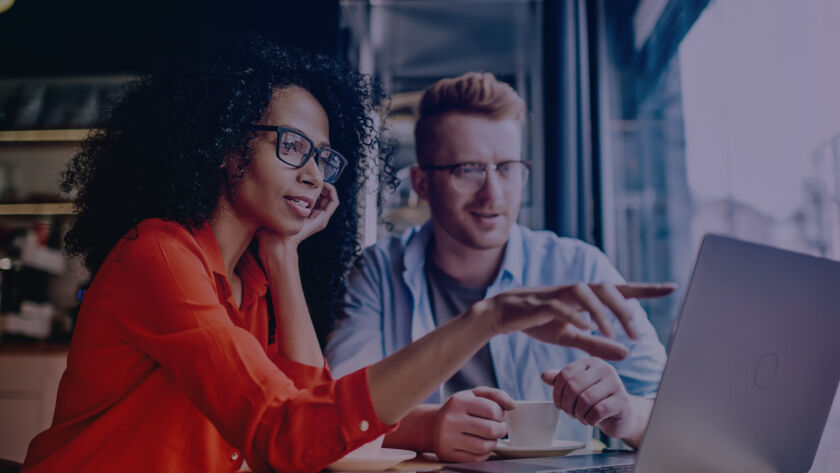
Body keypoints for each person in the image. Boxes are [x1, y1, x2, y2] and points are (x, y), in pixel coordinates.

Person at [18, 40, 672, 473]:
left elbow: (309, 408)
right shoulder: (159, 255)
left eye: (323, 156)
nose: (314, 173)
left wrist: (281, 256)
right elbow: (287, 436)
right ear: (224, 145)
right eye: (292, 146)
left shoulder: (249, 278)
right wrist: (487, 318)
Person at [325, 72, 670, 462]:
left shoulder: (579, 267)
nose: (494, 193)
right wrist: (427, 428)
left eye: (507, 168)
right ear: (421, 184)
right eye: (468, 169)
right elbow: (333, 413)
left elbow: (675, 411)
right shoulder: (378, 271)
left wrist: (627, 415)